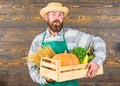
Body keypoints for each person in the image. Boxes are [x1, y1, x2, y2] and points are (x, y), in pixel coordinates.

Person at [27, 2, 106, 86]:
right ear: (46, 17)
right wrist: (45, 79)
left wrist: (96, 62)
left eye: (60, 14)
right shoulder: (38, 40)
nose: (57, 18)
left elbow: (98, 42)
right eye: (53, 14)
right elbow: (32, 67)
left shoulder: (72, 35)